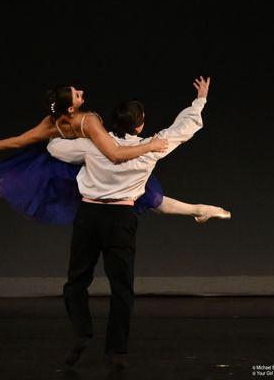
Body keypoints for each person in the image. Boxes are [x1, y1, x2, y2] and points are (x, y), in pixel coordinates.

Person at [46, 76, 225, 369]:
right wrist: (200, 100)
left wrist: (66, 124)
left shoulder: (92, 146)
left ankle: (81, 331)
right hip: (120, 220)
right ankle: (116, 352)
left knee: (76, 281)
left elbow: (55, 148)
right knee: (122, 288)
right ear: (140, 126)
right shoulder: (151, 147)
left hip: (89, 217)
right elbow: (183, 130)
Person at [0, 81, 229, 223]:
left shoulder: (51, 123)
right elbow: (114, 153)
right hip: (84, 169)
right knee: (150, 198)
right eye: (78, 93)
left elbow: (19, 141)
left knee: (7, 186)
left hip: (63, 165)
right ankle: (200, 209)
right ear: (72, 106)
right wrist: (150, 144)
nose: (82, 92)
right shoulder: (90, 121)